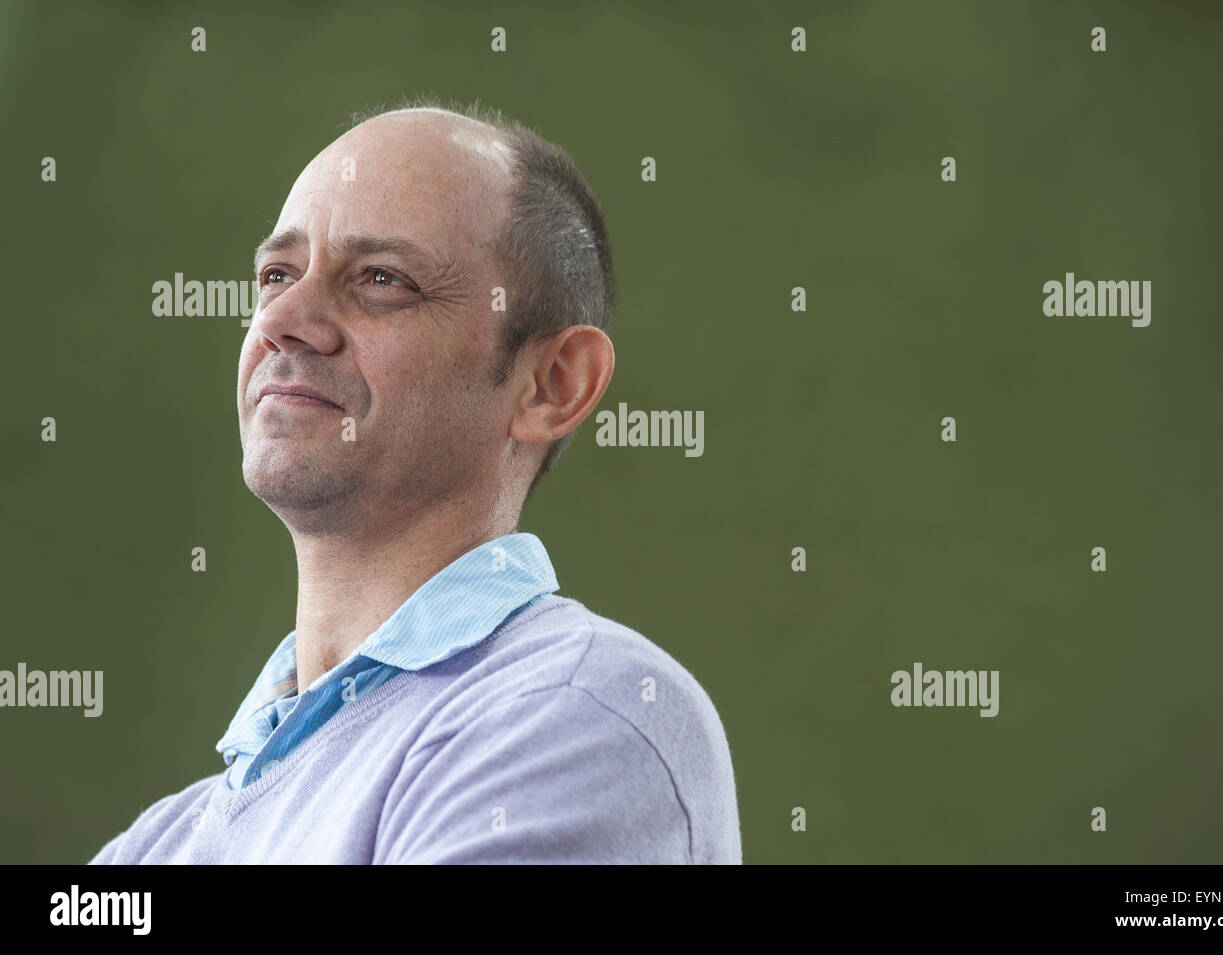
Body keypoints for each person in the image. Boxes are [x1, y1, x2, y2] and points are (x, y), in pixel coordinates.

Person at [89, 98, 742, 864]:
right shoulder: (150, 848)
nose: (284, 319)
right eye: (276, 273)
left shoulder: (579, 713)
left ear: (552, 383)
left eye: (380, 279)